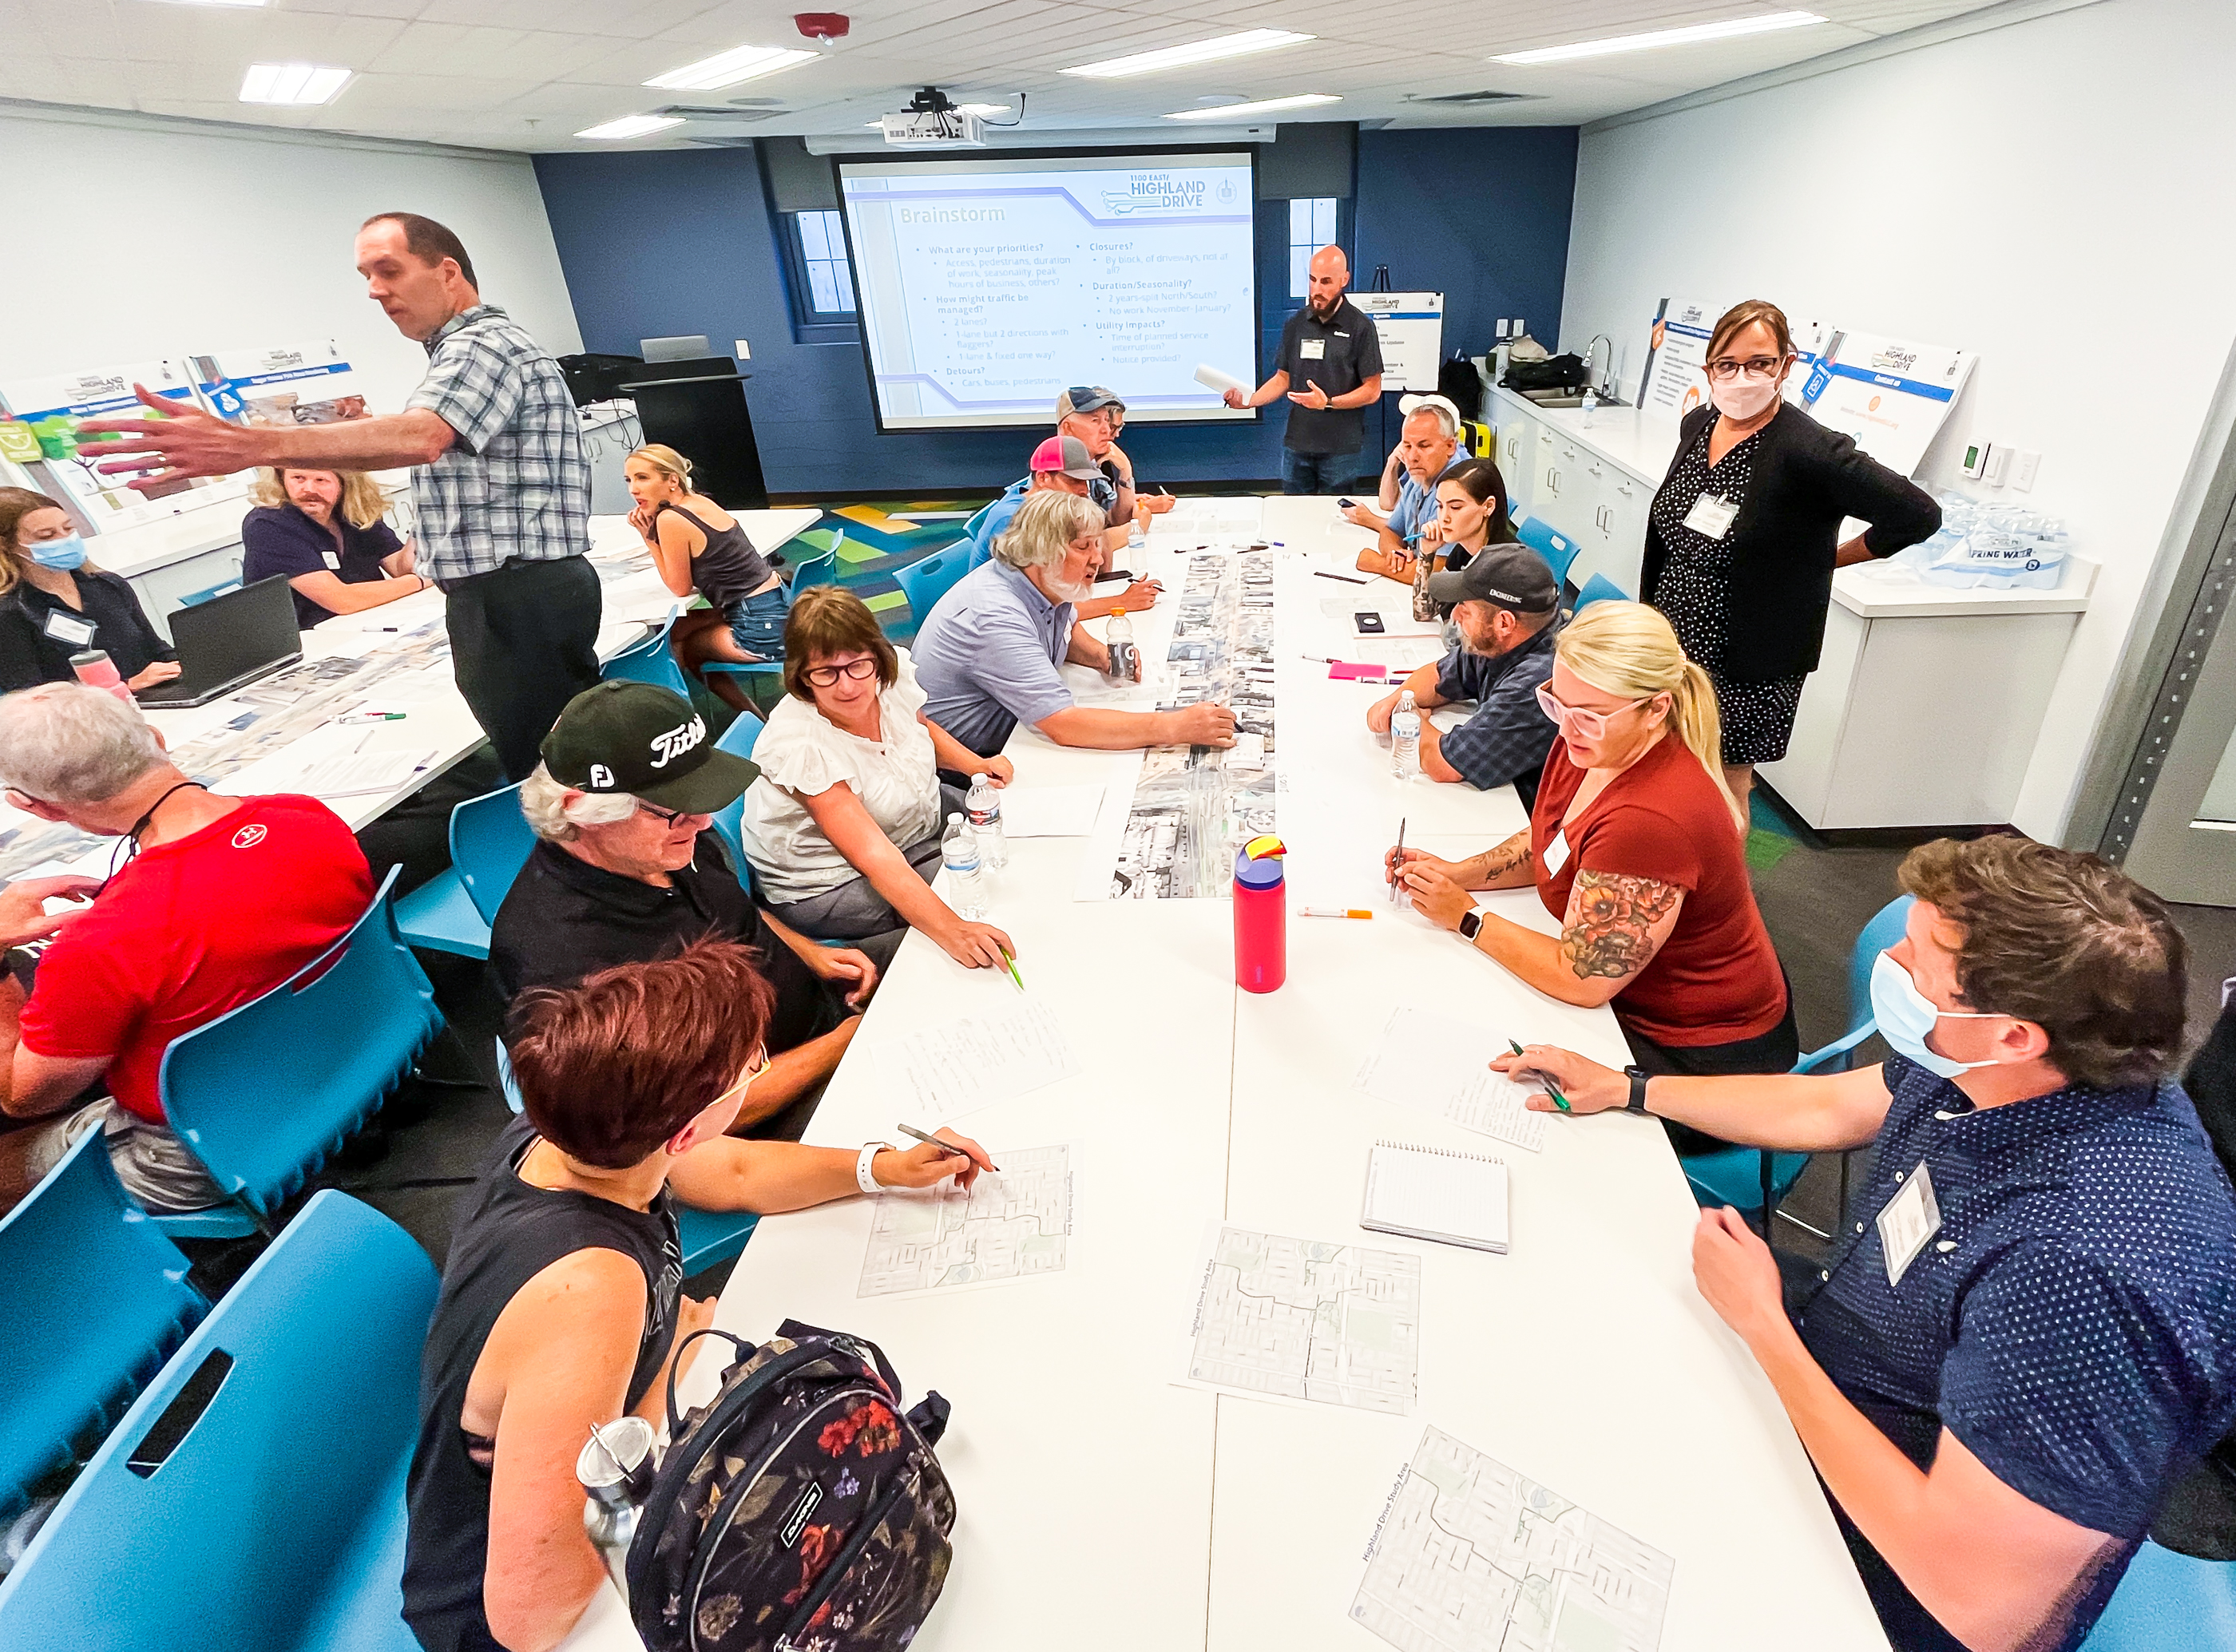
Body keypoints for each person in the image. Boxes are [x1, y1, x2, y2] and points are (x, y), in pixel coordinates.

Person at [1489, 837, 2236, 1652]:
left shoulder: (2082, 1273)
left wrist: (1765, 1329)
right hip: (1850, 1355)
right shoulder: (2021, 1062)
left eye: (1915, 958)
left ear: (2014, 1032)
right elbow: (1832, 1107)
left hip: (1886, 1560)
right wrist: (1630, 1087)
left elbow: (1977, 1603)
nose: (1892, 959)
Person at [401, 939, 989, 1652]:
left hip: (553, 1483)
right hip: (519, 1606)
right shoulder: (590, 1286)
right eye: (752, 1066)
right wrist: (670, 1369)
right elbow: (531, 1618)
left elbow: (734, 1168)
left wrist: (882, 1167)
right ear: (682, 1126)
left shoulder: (570, 1130)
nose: (758, 1070)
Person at [79, 212, 601, 782]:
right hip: (517, 594)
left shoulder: (481, 346)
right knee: (562, 759)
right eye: (366, 276)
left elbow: (421, 436)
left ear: (448, 273)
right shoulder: (474, 349)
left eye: (389, 270)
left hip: (514, 596)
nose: (376, 290)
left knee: (555, 773)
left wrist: (250, 444)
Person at [1389, 601, 1792, 1112]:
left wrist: (1466, 917)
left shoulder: (1650, 819)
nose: (1569, 727)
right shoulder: (1590, 742)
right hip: (1634, 1003)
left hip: (1702, 1054)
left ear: (1656, 710)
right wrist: (1456, 873)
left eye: (1592, 715)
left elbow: (1583, 979)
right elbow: (1552, 837)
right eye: (1557, 703)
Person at [0, 683, 372, 1214]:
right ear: (155, 737)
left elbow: (23, 1095)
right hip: (347, 1058)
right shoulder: (308, 818)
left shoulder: (101, 941)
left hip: (215, 1147)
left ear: (36, 808)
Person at [491, 681, 875, 1144]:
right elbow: (695, 1117)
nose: (704, 822)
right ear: (584, 812)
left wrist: (811, 953)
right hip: (768, 1114)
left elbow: (729, 906)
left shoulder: (662, 843)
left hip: (825, 1015)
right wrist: (845, 1043)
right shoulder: (568, 966)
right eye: (674, 810)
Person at [1643, 299, 1940, 818]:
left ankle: (1718, 896)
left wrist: (1825, 560)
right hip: (1672, 636)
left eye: (1759, 362)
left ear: (1787, 364)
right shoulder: (1698, 424)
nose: (1742, 377)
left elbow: (1917, 514)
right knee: (1666, 767)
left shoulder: (1813, 451)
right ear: (1708, 367)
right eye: (1727, 364)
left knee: (1722, 785)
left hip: (1746, 657)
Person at [740, 588, 1019, 973]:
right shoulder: (800, 744)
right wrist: (954, 931)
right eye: (825, 673)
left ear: (878, 657)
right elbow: (873, 855)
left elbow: (916, 727)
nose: (848, 686)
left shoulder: (889, 677)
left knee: (1016, 824)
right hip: (831, 880)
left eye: (858, 665)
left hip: (907, 824)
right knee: (974, 894)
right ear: (801, 677)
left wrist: (975, 765)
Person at [912, 490, 1236, 759]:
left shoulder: (1040, 579)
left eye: (1097, 544)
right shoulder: (993, 616)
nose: (1097, 559)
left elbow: (1065, 624)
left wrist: (1099, 656)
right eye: (1083, 547)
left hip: (1014, 730)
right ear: (1041, 551)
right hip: (971, 761)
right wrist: (1175, 727)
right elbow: (1063, 725)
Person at [1364, 544, 1562, 803]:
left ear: (1504, 623)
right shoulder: (1501, 639)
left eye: (1465, 608)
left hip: (1520, 807)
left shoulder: (1539, 679)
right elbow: (1439, 675)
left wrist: (1410, 716)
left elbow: (1444, 764)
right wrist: (1399, 698)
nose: (1455, 614)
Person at [621, 443, 788, 713]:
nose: (633, 489)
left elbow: (679, 587)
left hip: (759, 627)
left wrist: (648, 538)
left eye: (643, 478)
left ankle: (688, 717)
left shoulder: (670, 519)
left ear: (672, 480)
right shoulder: (699, 501)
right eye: (629, 480)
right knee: (677, 630)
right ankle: (741, 718)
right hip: (780, 604)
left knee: (686, 648)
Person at [1224, 246, 1385, 494]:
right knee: (1295, 518)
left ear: (1344, 280)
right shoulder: (1296, 324)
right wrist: (1249, 401)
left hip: (1340, 449)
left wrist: (1328, 403)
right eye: (1312, 280)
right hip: (1298, 444)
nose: (1317, 289)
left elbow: (1373, 391)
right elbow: (1282, 379)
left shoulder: (1361, 327)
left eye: (1326, 282)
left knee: (1333, 520)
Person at [0, 489, 180, 695]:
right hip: (86, 720)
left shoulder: (109, 586)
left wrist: (181, 667)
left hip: (161, 700)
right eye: (47, 535)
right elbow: (32, 698)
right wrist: (125, 686)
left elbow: (157, 650)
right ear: (7, 545)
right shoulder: (10, 613)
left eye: (69, 529)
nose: (65, 539)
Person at [240, 465, 430, 628]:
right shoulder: (268, 525)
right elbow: (343, 600)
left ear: (344, 483)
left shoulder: (354, 513)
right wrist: (419, 581)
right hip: (309, 640)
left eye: (321, 480)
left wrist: (423, 523)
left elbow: (401, 567)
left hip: (368, 623)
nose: (308, 489)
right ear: (281, 479)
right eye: (298, 478)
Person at [1347, 396, 1464, 579]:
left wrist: (1376, 563)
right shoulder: (1420, 475)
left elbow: (1439, 572)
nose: (1412, 456)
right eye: (1407, 446)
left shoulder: (1458, 488)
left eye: (1424, 446)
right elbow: (1391, 530)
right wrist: (1395, 553)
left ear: (1450, 445)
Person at [1098, 393, 1176, 517]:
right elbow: (1102, 518)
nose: (1116, 434)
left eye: (1120, 427)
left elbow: (1106, 501)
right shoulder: (1076, 462)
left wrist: (1130, 499)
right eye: (1113, 427)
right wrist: (1144, 507)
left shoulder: (1102, 458)